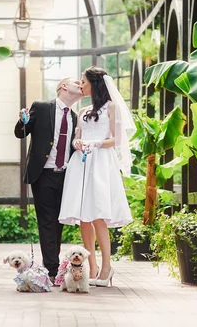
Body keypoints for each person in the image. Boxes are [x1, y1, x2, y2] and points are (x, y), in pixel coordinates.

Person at [58, 67, 134, 287]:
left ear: (94, 83)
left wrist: (95, 144)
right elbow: (76, 138)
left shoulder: (111, 107)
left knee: (98, 214)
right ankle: (92, 267)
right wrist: (78, 144)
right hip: (81, 164)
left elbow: (116, 140)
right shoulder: (83, 111)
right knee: (84, 217)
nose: (81, 85)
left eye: (83, 82)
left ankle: (107, 268)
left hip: (101, 163)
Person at [14, 77, 83, 283]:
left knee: (59, 222)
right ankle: (52, 270)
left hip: (66, 175)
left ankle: (53, 267)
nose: (81, 85)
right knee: (46, 221)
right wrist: (23, 121)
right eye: (76, 82)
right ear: (64, 86)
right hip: (42, 173)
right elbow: (20, 133)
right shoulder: (42, 107)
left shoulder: (75, 117)